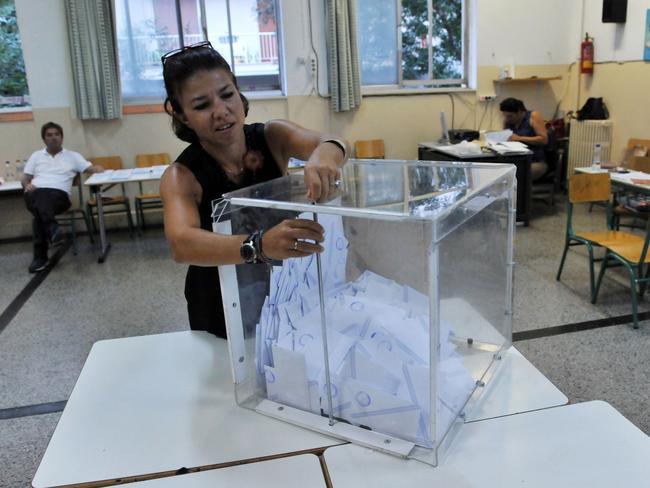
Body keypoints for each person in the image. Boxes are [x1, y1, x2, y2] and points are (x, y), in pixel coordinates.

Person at [159, 42, 349, 339]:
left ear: (239, 92)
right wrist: (258, 246)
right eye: (202, 105)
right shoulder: (180, 176)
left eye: (227, 95)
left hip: (281, 286)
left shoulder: (273, 137)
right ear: (182, 115)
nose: (221, 112)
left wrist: (324, 155)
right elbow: (181, 244)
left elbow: (333, 142)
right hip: (219, 302)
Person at [22, 122, 104, 273]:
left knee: (39, 213)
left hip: (59, 197)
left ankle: (40, 257)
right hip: (34, 194)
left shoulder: (73, 156)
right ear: (44, 139)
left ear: (62, 137)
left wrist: (98, 168)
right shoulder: (36, 156)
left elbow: (91, 168)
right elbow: (25, 178)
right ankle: (52, 229)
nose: (53, 138)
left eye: (56, 134)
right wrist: (26, 185)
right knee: (37, 194)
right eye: (49, 135)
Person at [499, 98, 549, 181]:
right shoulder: (508, 121)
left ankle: (522, 193)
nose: (507, 119)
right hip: (515, 161)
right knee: (499, 172)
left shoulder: (533, 116)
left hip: (535, 161)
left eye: (510, 116)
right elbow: (505, 138)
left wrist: (520, 138)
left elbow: (544, 139)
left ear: (519, 112)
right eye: (505, 116)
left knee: (513, 175)